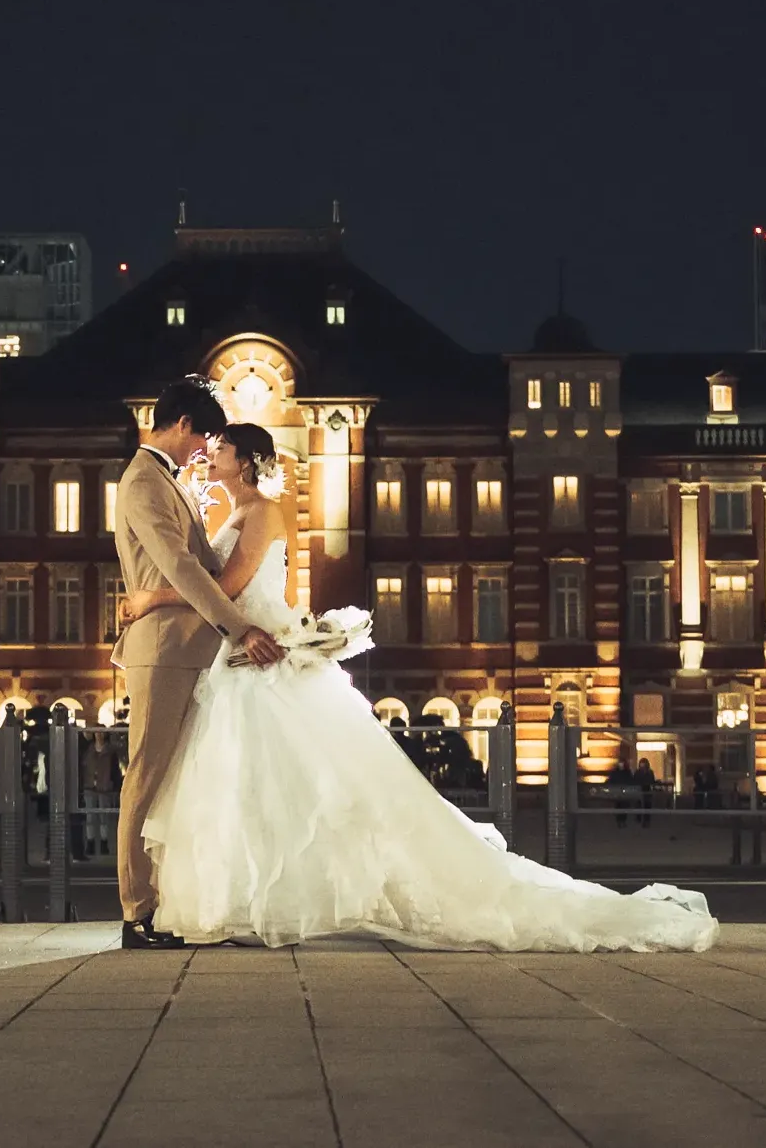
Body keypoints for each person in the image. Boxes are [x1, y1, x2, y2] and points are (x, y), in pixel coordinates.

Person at [121, 420, 716, 953]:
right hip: (243, 658)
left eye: (219, 448)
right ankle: (246, 902)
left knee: (292, 791)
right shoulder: (234, 511)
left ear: (246, 462)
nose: (208, 452)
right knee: (252, 790)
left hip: (257, 657)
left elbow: (223, 586)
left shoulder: (264, 513)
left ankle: (264, 901)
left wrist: (150, 597)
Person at [108, 377, 284, 950]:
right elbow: (183, 568)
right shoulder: (143, 481)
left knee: (169, 781)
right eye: (203, 436)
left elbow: (203, 568)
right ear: (182, 425)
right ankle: (137, 912)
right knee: (147, 776)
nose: (205, 449)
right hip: (164, 652)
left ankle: (161, 902)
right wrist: (239, 626)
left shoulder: (164, 480)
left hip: (185, 650)